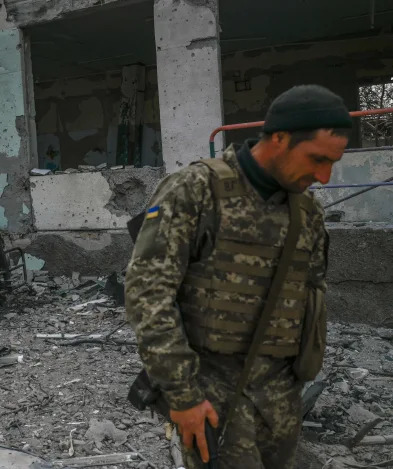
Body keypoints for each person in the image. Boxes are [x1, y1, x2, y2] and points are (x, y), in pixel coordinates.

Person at [125, 84, 352, 469]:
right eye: (317, 159)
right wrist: (183, 396)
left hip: (281, 397)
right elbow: (149, 294)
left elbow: (310, 296)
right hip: (213, 393)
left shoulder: (307, 212)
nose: (325, 176)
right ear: (279, 138)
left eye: (332, 162)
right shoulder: (197, 190)